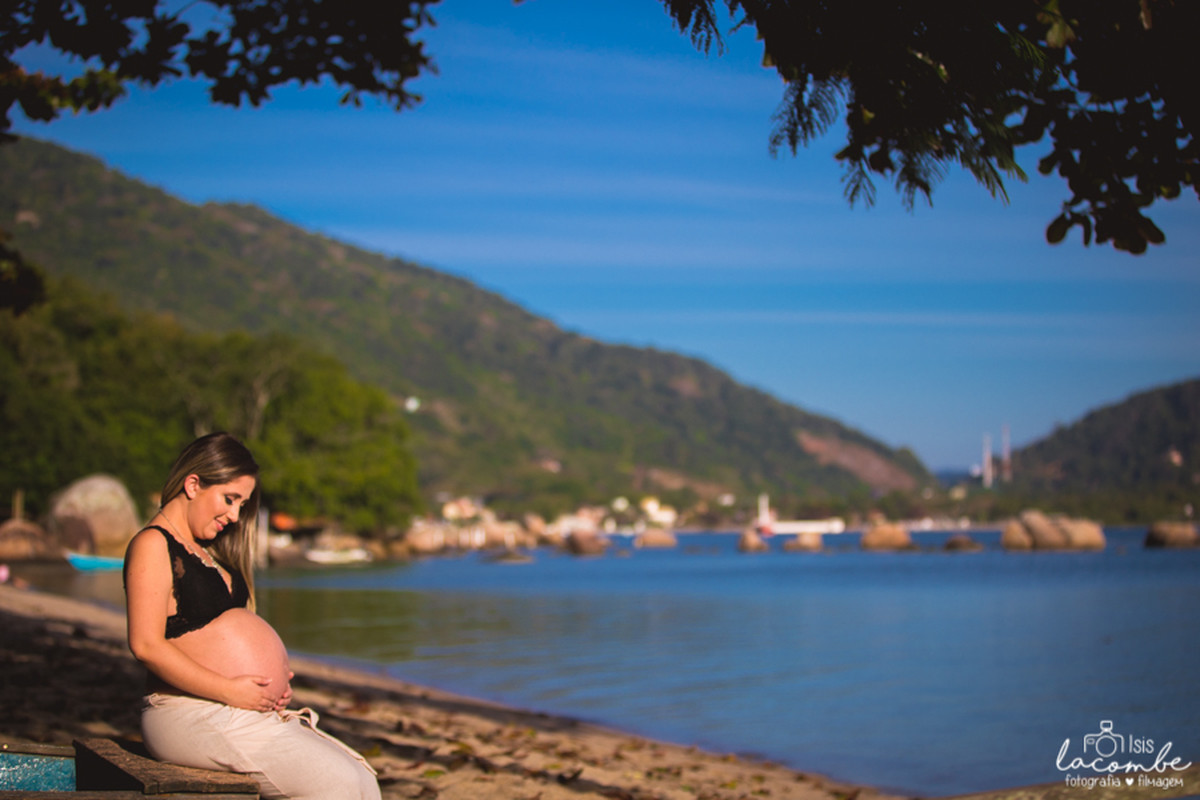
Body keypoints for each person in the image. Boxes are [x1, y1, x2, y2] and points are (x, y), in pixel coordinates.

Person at [123, 432, 380, 800]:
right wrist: (230, 689)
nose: (234, 515)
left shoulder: (210, 551)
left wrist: (271, 682)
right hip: (187, 711)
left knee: (364, 781)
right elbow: (146, 645)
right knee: (338, 784)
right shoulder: (153, 544)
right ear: (193, 484)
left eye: (241, 504)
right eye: (230, 499)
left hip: (236, 710)